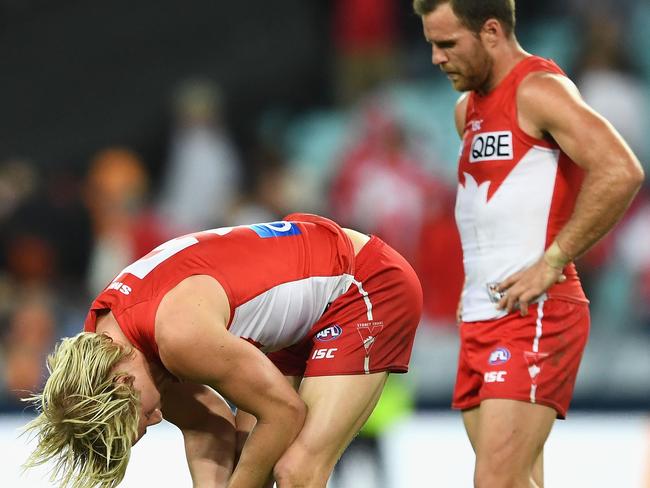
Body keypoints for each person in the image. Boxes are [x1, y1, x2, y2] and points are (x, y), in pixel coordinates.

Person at [412, 1, 644, 487]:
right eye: (432, 43)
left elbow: (621, 170)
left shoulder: (540, 90)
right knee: (516, 481)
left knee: (494, 481)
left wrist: (554, 259)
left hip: (535, 313)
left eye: (447, 43)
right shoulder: (466, 112)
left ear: (491, 31)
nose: (435, 57)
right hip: (481, 315)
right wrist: (471, 286)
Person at [23, 213, 422, 488]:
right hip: (301, 292)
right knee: (253, 456)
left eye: (145, 417)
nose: (159, 415)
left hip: (364, 282)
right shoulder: (113, 345)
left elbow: (285, 412)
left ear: (124, 384)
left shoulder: (179, 338)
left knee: (296, 471)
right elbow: (207, 425)